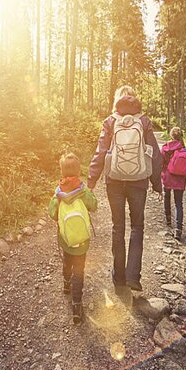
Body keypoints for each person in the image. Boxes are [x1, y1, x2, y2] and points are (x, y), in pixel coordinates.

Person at [87, 85, 162, 293]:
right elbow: (155, 155)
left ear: (117, 101)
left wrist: (91, 182)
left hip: (114, 181)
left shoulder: (110, 122)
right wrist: (157, 185)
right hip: (139, 181)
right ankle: (133, 276)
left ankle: (118, 276)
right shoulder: (144, 121)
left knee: (117, 227)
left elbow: (100, 152)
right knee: (137, 226)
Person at [48, 152, 97, 325]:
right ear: (78, 170)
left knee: (67, 261)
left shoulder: (58, 193)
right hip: (82, 240)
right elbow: (94, 205)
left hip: (66, 238)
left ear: (62, 172)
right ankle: (77, 305)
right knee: (79, 270)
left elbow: (53, 214)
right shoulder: (82, 190)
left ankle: (66, 284)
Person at [160, 126, 186, 241]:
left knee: (166, 197)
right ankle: (178, 228)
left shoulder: (165, 148)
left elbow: (160, 163)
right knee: (179, 203)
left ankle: (168, 220)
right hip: (180, 180)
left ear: (171, 135)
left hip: (167, 178)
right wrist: (183, 177)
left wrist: (162, 174)